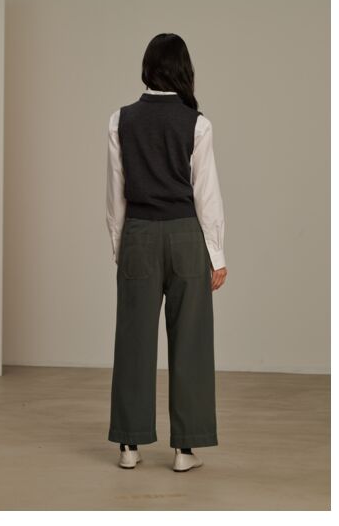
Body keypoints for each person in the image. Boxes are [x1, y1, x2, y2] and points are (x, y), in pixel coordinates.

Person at [105, 33, 227, 472]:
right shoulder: (197, 124)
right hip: (185, 238)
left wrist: (120, 246)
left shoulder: (120, 120)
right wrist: (216, 254)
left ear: (148, 67)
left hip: (138, 234)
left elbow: (116, 192)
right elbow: (205, 193)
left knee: (133, 341)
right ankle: (184, 450)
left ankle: (129, 446)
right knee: (191, 341)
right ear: (183, 69)